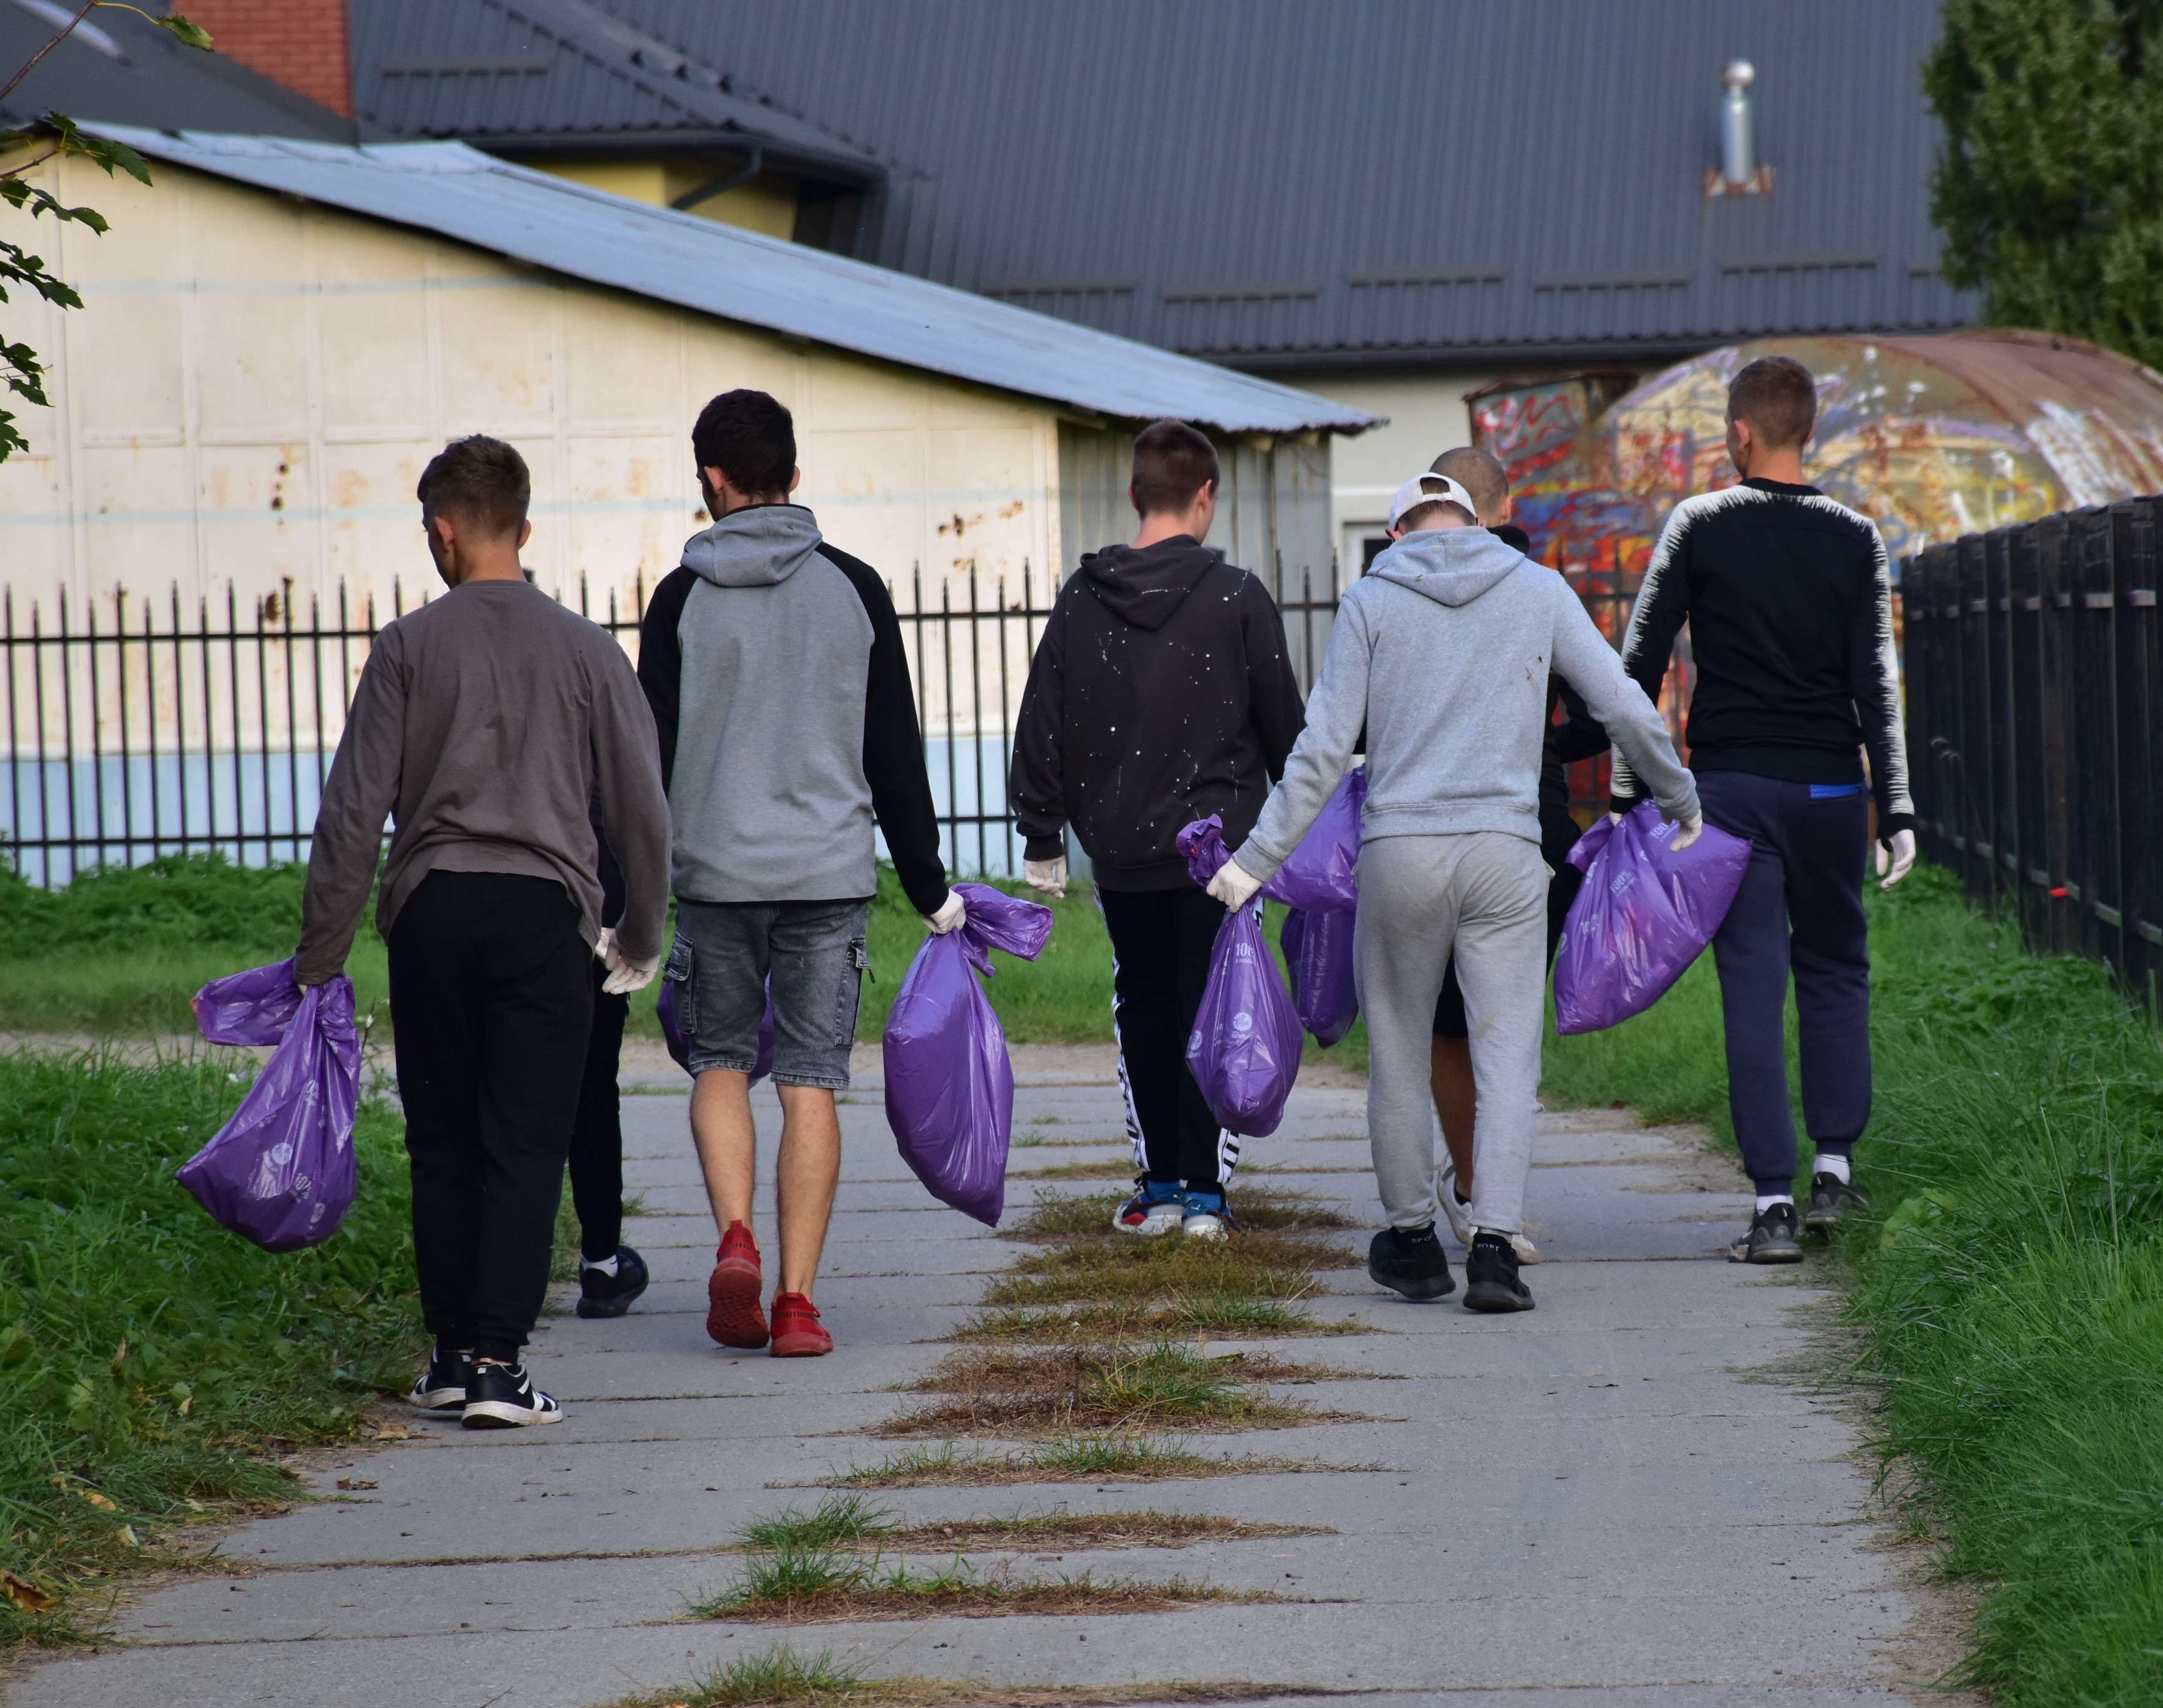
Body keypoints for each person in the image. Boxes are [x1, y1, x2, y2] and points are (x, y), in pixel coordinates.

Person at [1214, 470, 1700, 1314]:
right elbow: (1622, 703)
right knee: (1506, 1055)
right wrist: (1677, 797)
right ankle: (1494, 1249)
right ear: (1477, 525)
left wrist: (1253, 862)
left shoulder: (1371, 599)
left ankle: (1409, 1243)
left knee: (1400, 1049)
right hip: (1507, 852)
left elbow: (1324, 749)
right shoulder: (1537, 588)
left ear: (1400, 531)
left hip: (1400, 848)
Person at [298, 435, 670, 1429]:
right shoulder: (589, 650)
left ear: (442, 530)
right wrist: (638, 933)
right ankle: (501, 1363)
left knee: (445, 1139)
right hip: (545, 915)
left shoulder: (409, 648)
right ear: (526, 527)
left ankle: (454, 1355)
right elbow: (642, 812)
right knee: (526, 1140)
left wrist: (319, 961)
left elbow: (351, 813)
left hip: (430, 910)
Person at [638, 389, 958, 1357]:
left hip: (716, 877)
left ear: (711, 481)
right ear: (794, 477)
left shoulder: (679, 599)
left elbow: (646, 759)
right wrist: (929, 885)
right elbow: (893, 751)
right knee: (811, 1083)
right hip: (826, 877)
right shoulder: (853, 588)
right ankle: (798, 1304)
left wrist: (630, 897)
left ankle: (735, 1233)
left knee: (721, 1061)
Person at [1612, 354, 1916, 1266]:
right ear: (1808, 431)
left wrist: (1633, 796)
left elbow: (1638, 670)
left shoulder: (1697, 524)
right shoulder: (1858, 535)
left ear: (1737, 434)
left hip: (1732, 793)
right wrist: (1895, 810)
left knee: (1752, 985)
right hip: (1831, 790)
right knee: (1836, 969)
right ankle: (1834, 1173)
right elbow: (1878, 682)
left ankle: (1772, 1207)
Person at [1008, 419, 1306, 1241]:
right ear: (1204, 497)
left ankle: (1159, 1186)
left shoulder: (1083, 597)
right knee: (1210, 1011)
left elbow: (1043, 725)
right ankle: (1206, 1194)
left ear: (1135, 494)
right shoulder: (1238, 597)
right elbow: (1287, 730)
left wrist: (1042, 837)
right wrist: (1304, 831)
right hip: (1221, 854)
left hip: (1121, 851)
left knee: (1142, 1004)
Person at [1412, 446, 1611, 1264]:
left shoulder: (1399, 589)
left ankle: (1466, 1188)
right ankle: (1498, 1210)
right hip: (1532, 834)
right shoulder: (1543, 590)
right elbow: (1604, 716)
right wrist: (1548, 746)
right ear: (1505, 503)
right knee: (1503, 1023)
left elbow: (1352, 733)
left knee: (1446, 1029)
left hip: (1424, 833)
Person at [567, 811, 649, 1318]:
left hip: (461, 895)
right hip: (592, 893)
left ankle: (488, 1277)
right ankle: (601, 1262)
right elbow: (639, 806)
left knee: (490, 1096)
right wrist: (638, 926)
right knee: (592, 1093)